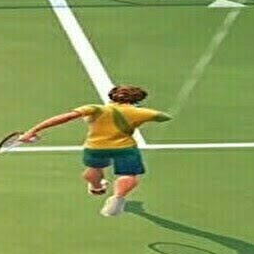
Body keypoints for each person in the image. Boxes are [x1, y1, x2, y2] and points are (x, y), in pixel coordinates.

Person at [20, 85, 171, 217]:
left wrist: (32, 131)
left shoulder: (95, 109)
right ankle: (117, 198)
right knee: (128, 175)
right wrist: (139, 114)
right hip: (124, 148)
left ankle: (96, 187)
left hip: (95, 147)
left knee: (94, 169)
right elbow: (164, 117)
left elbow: (65, 117)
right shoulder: (142, 112)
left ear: (112, 96)